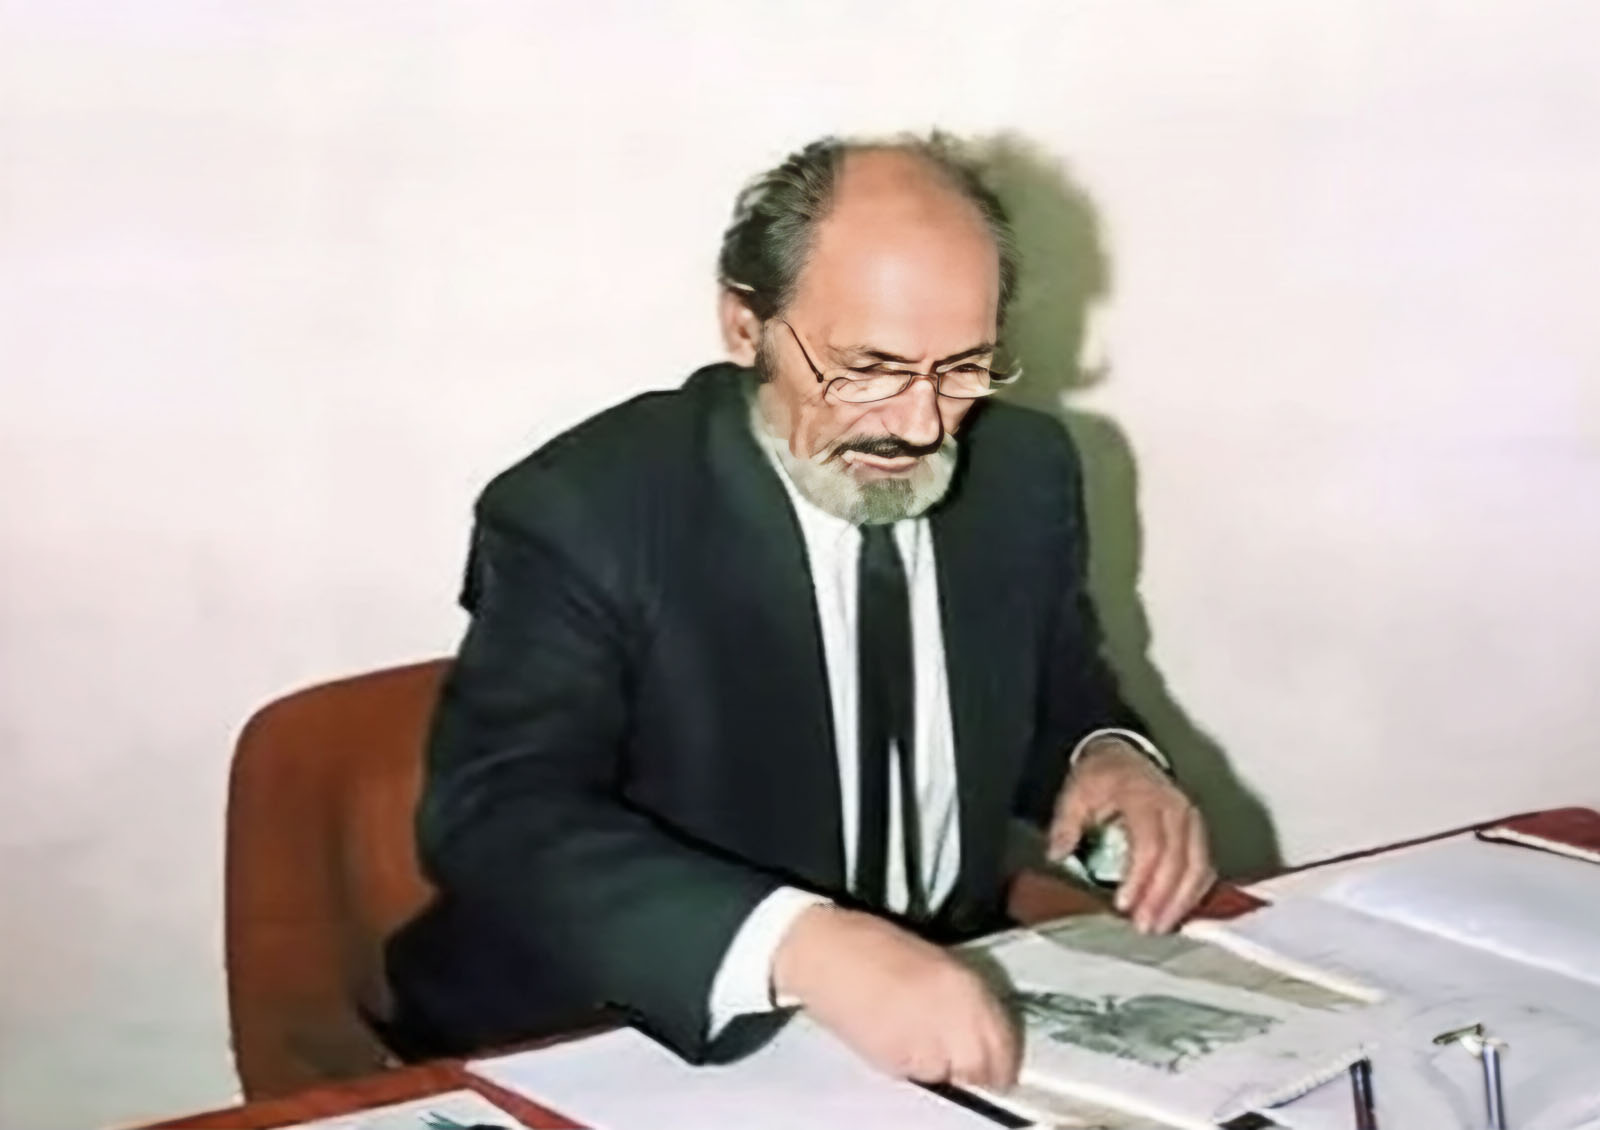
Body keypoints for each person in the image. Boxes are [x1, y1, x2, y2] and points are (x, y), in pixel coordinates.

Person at [383, 133, 1216, 1091]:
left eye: (964, 367)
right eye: (868, 368)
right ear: (746, 327)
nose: (921, 425)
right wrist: (803, 947)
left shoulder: (1023, 472)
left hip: (930, 1020)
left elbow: (1056, 689)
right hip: (611, 1031)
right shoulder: (588, 511)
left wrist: (1107, 756)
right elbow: (497, 817)